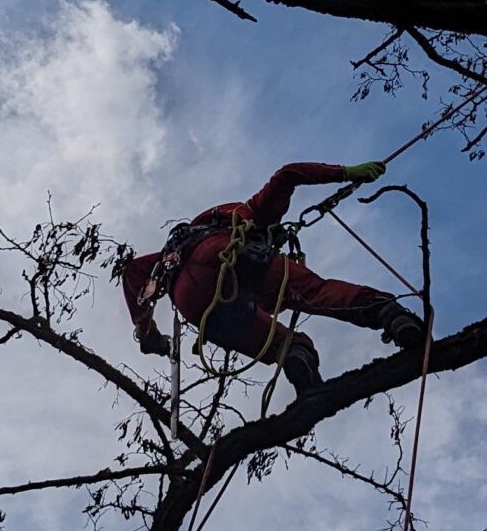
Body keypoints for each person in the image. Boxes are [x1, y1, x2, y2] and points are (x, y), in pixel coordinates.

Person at [122, 160, 427, 402]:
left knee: (285, 343)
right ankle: (393, 317)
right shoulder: (248, 213)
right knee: (315, 291)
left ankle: (303, 374)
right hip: (229, 257)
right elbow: (288, 174)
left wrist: (148, 333)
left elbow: (133, 272)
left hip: (191, 301)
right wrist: (345, 172)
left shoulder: (170, 252)